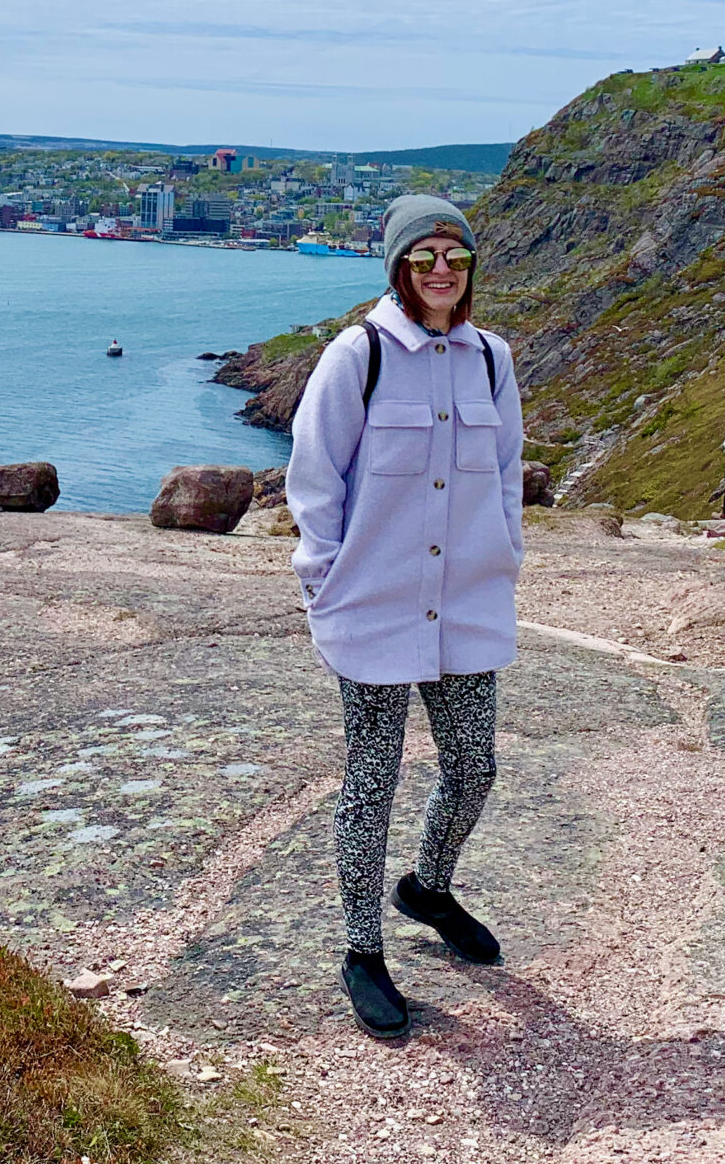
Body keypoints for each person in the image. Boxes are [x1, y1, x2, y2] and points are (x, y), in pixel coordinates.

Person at [286, 194, 525, 1041]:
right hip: (373, 606)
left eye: (453, 257)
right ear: (398, 266)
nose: (440, 272)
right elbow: (314, 475)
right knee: (372, 781)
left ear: (469, 268)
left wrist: (505, 557)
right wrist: (322, 582)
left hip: (464, 603)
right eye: (423, 258)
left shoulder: (491, 360)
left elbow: (503, 474)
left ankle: (427, 887)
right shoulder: (360, 355)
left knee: (474, 768)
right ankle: (362, 951)